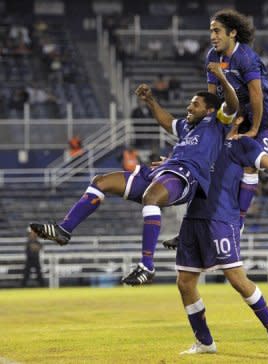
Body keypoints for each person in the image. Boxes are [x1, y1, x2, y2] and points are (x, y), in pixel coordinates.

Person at [30, 62, 239, 286]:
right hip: (160, 172)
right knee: (101, 182)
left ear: (208, 111)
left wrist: (221, 78)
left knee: (151, 199)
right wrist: (150, 101)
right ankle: (64, 230)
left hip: (184, 176)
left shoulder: (216, 124)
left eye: (194, 105)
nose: (189, 108)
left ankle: (147, 266)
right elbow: (168, 121)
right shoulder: (188, 127)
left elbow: (232, 104)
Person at [163, 114, 268, 354]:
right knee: (184, 282)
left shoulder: (241, 144)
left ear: (236, 119)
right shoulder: (203, 140)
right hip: (193, 218)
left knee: (237, 279)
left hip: (221, 219)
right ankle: (205, 341)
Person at [206, 9, 268, 230]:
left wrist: (255, 128)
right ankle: (202, 218)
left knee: (251, 163)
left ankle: (239, 220)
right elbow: (211, 96)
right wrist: (212, 127)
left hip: (263, 122)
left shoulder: (246, 57)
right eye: (211, 31)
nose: (213, 36)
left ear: (233, 33)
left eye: (217, 31)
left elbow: (256, 95)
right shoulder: (212, 56)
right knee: (212, 165)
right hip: (236, 119)